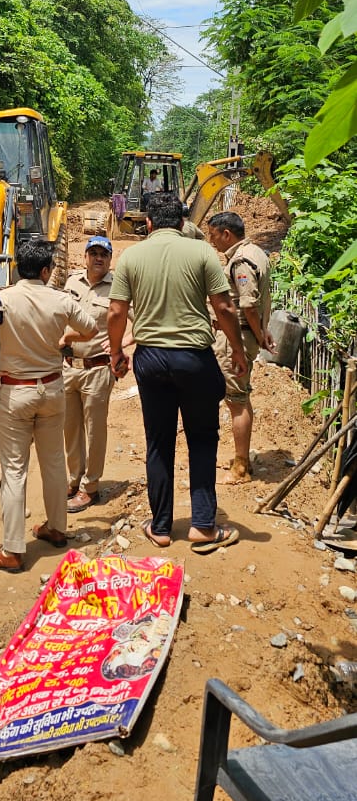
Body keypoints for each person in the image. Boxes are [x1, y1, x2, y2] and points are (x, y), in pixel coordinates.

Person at [107, 192, 247, 555]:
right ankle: (202, 526)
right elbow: (224, 306)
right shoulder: (202, 253)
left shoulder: (131, 256)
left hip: (150, 359)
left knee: (159, 441)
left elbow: (116, 312)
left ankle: (162, 527)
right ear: (183, 223)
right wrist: (237, 349)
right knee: (202, 438)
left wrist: (116, 352)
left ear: (148, 223)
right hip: (194, 359)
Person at [0, 239, 97, 572]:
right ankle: (56, 528)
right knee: (53, 464)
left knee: (13, 471)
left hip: (15, 394)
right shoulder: (61, 299)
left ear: (17, 268)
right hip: (52, 389)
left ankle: (12, 550)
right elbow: (92, 328)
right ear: (46, 271)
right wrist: (67, 340)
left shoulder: (1, 300)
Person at [62, 235, 131, 514]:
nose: (98, 258)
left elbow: (138, 322)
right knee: (70, 429)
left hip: (98, 369)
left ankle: (90, 488)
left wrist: (122, 344)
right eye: (94, 253)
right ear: (85, 257)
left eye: (104, 254)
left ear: (110, 259)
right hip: (68, 367)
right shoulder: (71, 282)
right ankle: (73, 479)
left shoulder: (118, 288)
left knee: (94, 430)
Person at [207, 211, 274, 483]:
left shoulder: (241, 261)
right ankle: (240, 457)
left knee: (237, 400)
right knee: (240, 396)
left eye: (213, 236)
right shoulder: (256, 251)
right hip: (245, 336)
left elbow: (247, 303)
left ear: (226, 234)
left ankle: (242, 467)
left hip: (236, 338)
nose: (212, 242)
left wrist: (258, 336)